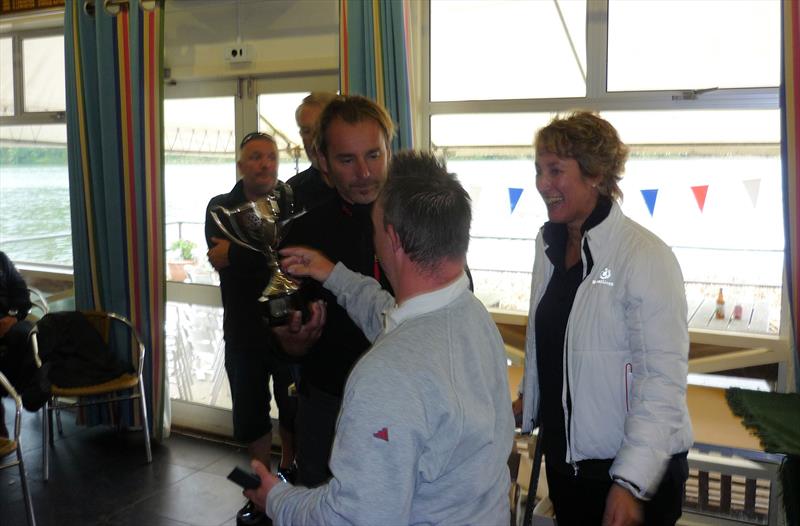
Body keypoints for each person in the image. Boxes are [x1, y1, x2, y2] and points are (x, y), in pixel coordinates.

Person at [243, 151, 514, 525]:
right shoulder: (471, 315)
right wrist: (332, 273)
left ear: (392, 238)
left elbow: (354, 518)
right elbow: (389, 317)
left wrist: (277, 499)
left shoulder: (386, 377)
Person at [515, 111, 693, 526]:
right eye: (539, 170)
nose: (542, 184)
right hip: (567, 463)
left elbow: (662, 383)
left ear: (595, 174)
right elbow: (555, 339)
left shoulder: (644, 256)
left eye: (555, 170)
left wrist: (631, 483)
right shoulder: (549, 245)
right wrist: (532, 398)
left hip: (629, 472)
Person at [270, 95, 395, 488]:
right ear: (323, 162)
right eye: (347, 160)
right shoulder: (303, 232)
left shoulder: (421, 222)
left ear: (390, 150)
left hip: (402, 402)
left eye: (373, 155)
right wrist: (291, 341)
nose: (364, 172)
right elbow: (276, 309)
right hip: (328, 401)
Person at [204, 132, 297, 526]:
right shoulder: (221, 206)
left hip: (288, 327)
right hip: (243, 330)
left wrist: (242, 252)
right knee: (250, 413)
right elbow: (218, 257)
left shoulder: (290, 200)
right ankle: (259, 489)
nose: (265, 164)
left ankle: (291, 478)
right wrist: (263, 254)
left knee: (293, 408)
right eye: (255, 157)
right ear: (241, 165)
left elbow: (290, 257)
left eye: (271, 156)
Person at [0, 251, 35, 438]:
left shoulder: (1, 260)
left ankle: (28, 389)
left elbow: (22, 297)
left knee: (27, 332)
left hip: (8, 322)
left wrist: (12, 317)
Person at [286, 92, 338, 212]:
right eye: (306, 131)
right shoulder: (292, 191)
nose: (314, 139)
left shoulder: (360, 184)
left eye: (320, 129)